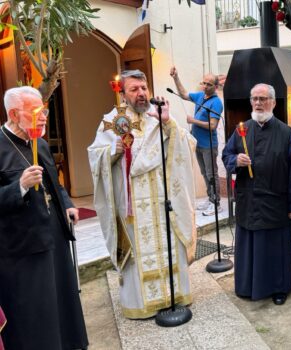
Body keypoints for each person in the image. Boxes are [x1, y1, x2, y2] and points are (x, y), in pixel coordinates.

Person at [88, 70, 198, 319]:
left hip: (162, 200)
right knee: (139, 254)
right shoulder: (112, 121)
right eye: (134, 89)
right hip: (132, 206)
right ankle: (142, 304)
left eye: (143, 87)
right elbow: (95, 155)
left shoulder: (157, 115)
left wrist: (169, 124)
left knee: (169, 246)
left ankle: (173, 297)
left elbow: (186, 144)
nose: (141, 93)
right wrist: (113, 151)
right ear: (123, 94)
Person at [0, 86, 88, 349]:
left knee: (60, 299)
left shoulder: (38, 142)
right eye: (37, 111)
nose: (44, 117)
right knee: (37, 310)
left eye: (45, 110)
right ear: (15, 114)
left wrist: (67, 204)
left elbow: (55, 183)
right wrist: (20, 187)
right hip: (22, 247)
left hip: (53, 236)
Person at [222, 83, 291, 305]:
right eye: (255, 99)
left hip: (276, 201)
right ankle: (247, 286)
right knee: (250, 246)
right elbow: (226, 155)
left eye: (263, 99)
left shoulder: (285, 132)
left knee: (275, 248)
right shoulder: (241, 130)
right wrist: (235, 160)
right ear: (250, 102)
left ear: (274, 103)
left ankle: (279, 287)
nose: (258, 103)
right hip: (249, 200)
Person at [170, 66, 224, 216]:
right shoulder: (200, 96)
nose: (205, 86)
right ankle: (210, 198)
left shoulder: (217, 103)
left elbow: (213, 126)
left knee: (211, 173)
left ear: (216, 86)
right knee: (204, 173)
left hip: (209, 145)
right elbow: (184, 94)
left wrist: (193, 121)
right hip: (197, 143)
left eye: (209, 84)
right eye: (204, 83)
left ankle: (216, 203)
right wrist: (176, 78)